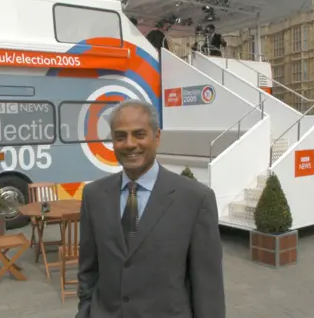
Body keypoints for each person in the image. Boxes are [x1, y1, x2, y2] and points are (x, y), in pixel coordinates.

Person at [75, 99, 225, 318]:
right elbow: (88, 269)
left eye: (139, 134)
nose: (129, 143)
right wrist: (86, 310)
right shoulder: (94, 195)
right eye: (120, 136)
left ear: (157, 137)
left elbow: (208, 288)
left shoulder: (195, 200)